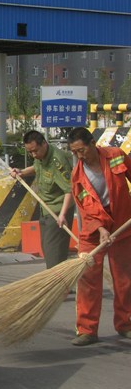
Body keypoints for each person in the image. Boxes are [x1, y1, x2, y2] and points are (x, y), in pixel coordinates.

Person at [67, 127, 131, 346]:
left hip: (121, 222)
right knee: (87, 277)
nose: (79, 156)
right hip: (93, 229)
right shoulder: (77, 177)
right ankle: (87, 330)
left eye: (82, 150)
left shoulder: (116, 156)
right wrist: (101, 229)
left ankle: (125, 324)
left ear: (93, 143)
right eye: (74, 152)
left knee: (124, 277)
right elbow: (85, 210)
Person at [10, 130, 74, 268]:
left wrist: (62, 215)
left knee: (54, 255)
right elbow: (37, 167)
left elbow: (69, 190)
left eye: (35, 151)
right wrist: (21, 172)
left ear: (44, 144)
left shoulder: (57, 161)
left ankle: (57, 281)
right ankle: (57, 280)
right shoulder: (41, 157)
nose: (33, 155)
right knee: (47, 249)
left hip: (57, 211)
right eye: (30, 152)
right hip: (45, 209)